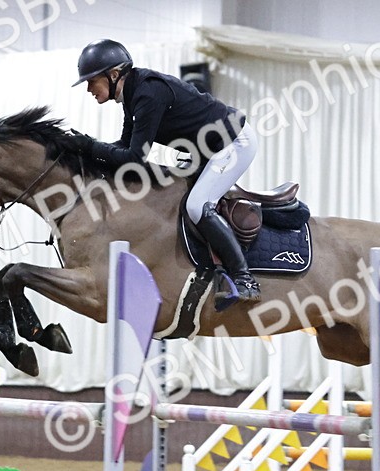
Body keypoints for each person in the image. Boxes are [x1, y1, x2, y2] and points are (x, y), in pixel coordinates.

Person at [71, 39, 261, 304]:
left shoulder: (147, 94)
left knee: (197, 206)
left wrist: (91, 148)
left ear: (114, 75)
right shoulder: (133, 93)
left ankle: (244, 279)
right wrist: (86, 150)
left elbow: (135, 158)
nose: (89, 89)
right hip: (206, 149)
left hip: (233, 142)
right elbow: (124, 147)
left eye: (92, 81)